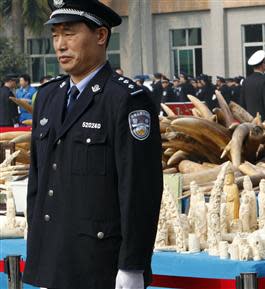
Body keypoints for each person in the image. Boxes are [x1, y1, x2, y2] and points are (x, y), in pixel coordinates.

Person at [23, 1, 163, 289]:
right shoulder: (48, 98)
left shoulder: (126, 100)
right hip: (53, 259)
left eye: (70, 33)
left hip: (99, 264)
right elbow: (38, 181)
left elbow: (139, 189)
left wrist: (132, 264)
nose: (60, 45)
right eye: (55, 35)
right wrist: (37, 241)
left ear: (100, 36)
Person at [240, 50, 265, 120]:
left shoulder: (246, 81)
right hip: (263, 120)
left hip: (249, 119)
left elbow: (242, 103)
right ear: (262, 65)